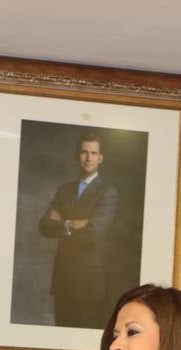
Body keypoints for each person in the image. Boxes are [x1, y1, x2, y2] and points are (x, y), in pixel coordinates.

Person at [38, 132, 119, 329]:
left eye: (93, 153)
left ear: (100, 158)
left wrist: (62, 223)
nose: (88, 158)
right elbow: (44, 226)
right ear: (77, 155)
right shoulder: (64, 189)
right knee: (61, 344)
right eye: (84, 152)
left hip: (89, 284)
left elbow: (93, 233)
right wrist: (71, 223)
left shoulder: (107, 192)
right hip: (63, 279)